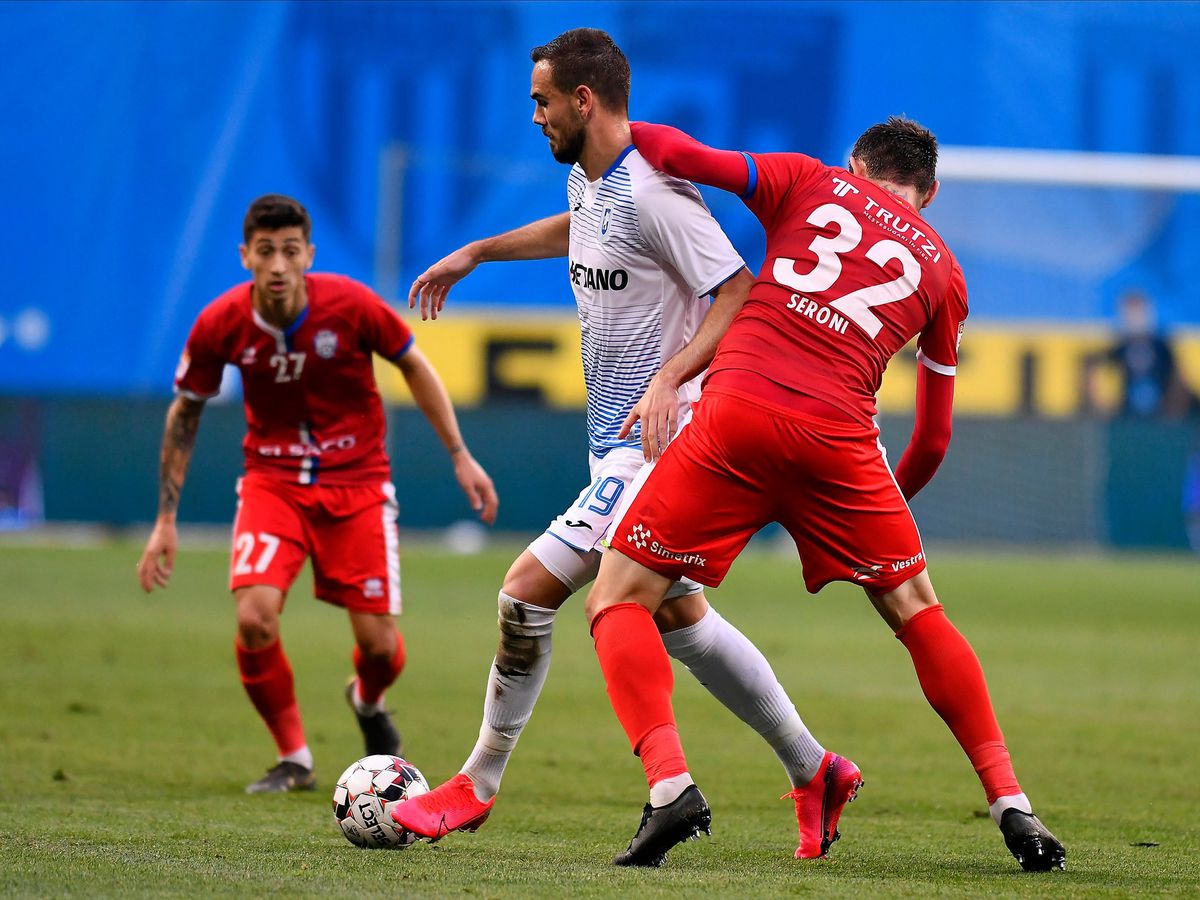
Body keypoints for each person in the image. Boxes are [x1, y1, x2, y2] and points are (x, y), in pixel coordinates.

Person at [390, 28, 858, 864]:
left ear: (584, 100)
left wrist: (672, 375)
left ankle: (491, 784)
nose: (532, 116)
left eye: (540, 101)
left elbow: (740, 287)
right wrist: (476, 252)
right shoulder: (590, 180)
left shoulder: (654, 189)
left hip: (666, 444)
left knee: (526, 593)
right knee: (680, 620)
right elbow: (576, 226)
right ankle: (814, 769)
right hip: (619, 447)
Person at [581, 118, 1067, 872]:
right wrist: (873, 507)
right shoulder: (942, 270)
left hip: (738, 413)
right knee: (918, 612)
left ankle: (670, 785)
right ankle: (1014, 805)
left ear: (855, 164)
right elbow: (934, 438)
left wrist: (616, 119)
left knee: (617, 598)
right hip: (842, 446)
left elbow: (682, 157)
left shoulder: (808, 179)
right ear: (928, 194)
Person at [136, 194, 498, 793]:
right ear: (245, 255)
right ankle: (295, 758)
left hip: (357, 485)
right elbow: (186, 412)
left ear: (308, 254)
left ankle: (367, 699)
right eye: (265, 251)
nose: (277, 264)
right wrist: (165, 520)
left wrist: (460, 456)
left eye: (289, 250)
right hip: (271, 484)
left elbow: (414, 366)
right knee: (254, 618)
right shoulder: (219, 323)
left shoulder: (351, 305)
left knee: (380, 647)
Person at [1084, 290, 1196, 418]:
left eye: (1138, 308)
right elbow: (1092, 364)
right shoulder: (1121, 348)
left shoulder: (1162, 348)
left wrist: (1172, 412)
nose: (1134, 315)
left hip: (1162, 415)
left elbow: (1179, 381)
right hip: (1128, 416)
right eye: (1130, 309)